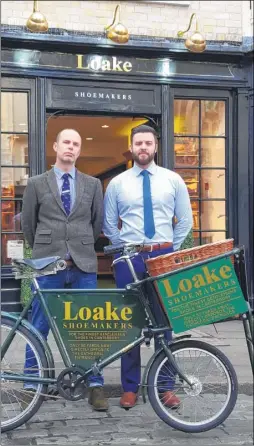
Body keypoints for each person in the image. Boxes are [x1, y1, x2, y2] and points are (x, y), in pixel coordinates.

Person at [103, 124, 193, 409]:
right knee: (129, 324)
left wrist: (169, 250)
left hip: (163, 255)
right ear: (132, 147)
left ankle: (164, 386)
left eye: (148, 143)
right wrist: (127, 250)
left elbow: (185, 222)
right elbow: (108, 224)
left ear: (156, 147)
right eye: (138, 143)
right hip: (128, 258)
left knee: (164, 322)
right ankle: (130, 387)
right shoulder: (118, 183)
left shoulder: (173, 180)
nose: (143, 148)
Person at [21, 128, 108, 411]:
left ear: (79, 151)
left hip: (83, 266)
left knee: (88, 328)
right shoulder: (36, 183)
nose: (71, 147)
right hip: (48, 266)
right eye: (66, 142)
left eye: (76, 144)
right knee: (39, 325)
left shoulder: (92, 184)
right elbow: (29, 227)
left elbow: (96, 224)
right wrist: (47, 250)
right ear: (56, 146)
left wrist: (80, 246)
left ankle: (94, 384)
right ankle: (33, 384)